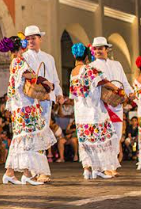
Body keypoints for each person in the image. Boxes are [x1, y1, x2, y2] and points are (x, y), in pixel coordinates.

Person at [0, 35, 52, 186]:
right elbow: (28, 75)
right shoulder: (18, 61)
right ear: (21, 46)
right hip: (24, 106)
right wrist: (44, 81)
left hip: (23, 105)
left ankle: (12, 173)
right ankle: (25, 174)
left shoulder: (15, 61)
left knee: (23, 138)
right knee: (26, 138)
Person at [69, 43, 122, 180]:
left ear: (75, 56)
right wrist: (115, 88)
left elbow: (73, 95)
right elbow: (102, 81)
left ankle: (87, 169)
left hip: (80, 112)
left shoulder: (73, 72)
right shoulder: (89, 69)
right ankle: (100, 169)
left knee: (86, 141)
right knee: (101, 139)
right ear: (87, 56)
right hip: (94, 110)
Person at [23, 25, 63, 179]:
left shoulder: (49, 58)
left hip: (47, 100)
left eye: (34, 38)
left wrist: (59, 94)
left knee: (42, 133)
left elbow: (55, 79)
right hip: (31, 101)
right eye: (28, 38)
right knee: (33, 134)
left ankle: (39, 170)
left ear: (40, 39)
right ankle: (34, 171)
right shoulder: (24, 57)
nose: (31, 41)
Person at [90, 36, 134, 163]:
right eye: (96, 49)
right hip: (101, 105)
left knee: (116, 133)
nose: (98, 51)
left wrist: (130, 93)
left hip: (116, 103)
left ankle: (113, 162)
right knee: (103, 134)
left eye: (101, 48)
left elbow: (124, 82)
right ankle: (103, 163)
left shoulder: (116, 64)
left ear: (107, 49)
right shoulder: (92, 66)